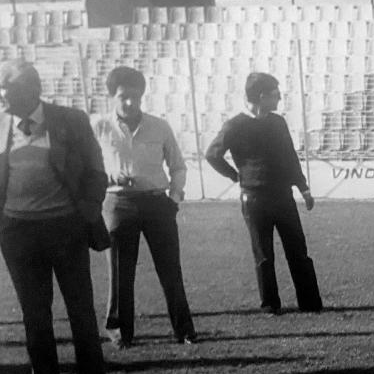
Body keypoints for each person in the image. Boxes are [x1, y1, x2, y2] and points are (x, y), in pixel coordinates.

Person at [0, 59, 107, 374]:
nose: (3, 97)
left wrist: (88, 210)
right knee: (33, 310)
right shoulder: (0, 124)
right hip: (17, 232)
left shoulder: (70, 120)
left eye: (9, 90)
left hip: (65, 228)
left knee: (79, 305)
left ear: (34, 90)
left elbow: (95, 170)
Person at [94, 66, 197, 348]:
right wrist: (110, 177)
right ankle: (120, 333)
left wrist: (174, 197)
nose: (130, 102)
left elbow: (178, 166)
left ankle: (184, 330)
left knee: (170, 269)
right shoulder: (99, 127)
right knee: (120, 273)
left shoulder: (159, 126)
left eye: (135, 97)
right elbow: (88, 168)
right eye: (123, 96)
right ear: (112, 96)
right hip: (118, 203)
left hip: (156, 202)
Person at [205, 72, 322, 315]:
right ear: (261, 96)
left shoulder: (278, 123)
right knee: (263, 255)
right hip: (254, 199)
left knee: (298, 251)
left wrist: (303, 188)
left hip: (283, 196)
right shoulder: (235, 125)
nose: (279, 99)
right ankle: (270, 305)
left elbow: (290, 157)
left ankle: (310, 303)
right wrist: (235, 175)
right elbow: (212, 155)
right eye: (275, 95)